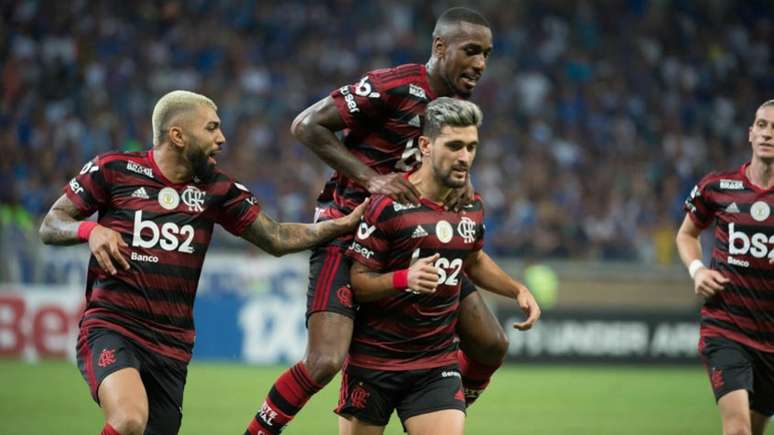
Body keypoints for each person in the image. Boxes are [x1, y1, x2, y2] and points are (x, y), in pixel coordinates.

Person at [245, 8, 515, 435]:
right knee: (325, 361)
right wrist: (373, 180)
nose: (481, 63)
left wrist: (463, 188)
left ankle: (446, 399)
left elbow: (440, 162)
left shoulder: (458, 106)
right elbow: (307, 126)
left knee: (491, 342)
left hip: (414, 240)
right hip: (348, 232)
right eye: (471, 51)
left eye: (487, 53)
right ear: (440, 47)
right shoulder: (394, 85)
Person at [38, 90, 366, 435]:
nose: (221, 138)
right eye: (211, 128)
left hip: (171, 345)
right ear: (177, 136)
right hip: (113, 327)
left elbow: (278, 238)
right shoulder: (113, 170)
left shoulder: (217, 190)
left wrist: (341, 225)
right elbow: (52, 224)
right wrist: (91, 230)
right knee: (129, 419)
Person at [337, 97, 540, 435]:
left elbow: (472, 259)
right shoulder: (387, 204)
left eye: (472, 147)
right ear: (426, 145)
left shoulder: (471, 205)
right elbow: (358, 282)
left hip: (435, 365)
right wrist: (404, 278)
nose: (465, 157)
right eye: (455, 146)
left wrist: (516, 289)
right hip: (374, 364)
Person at [676, 99, 774, 435]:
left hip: (770, 336)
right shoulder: (717, 187)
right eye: (761, 125)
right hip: (727, 329)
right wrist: (697, 270)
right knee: (738, 430)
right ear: (750, 133)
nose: (767, 134)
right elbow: (686, 235)